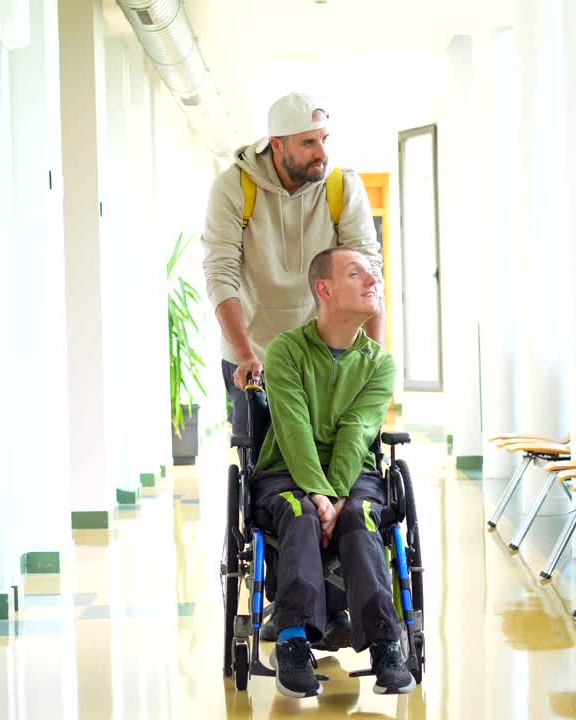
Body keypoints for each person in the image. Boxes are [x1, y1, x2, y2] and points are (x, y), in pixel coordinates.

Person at [249, 247, 414, 698]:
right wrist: (320, 495)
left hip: (354, 475)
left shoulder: (379, 363)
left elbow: (358, 429)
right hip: (284, 470)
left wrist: (338, 495)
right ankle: (292, 641)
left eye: (375, 273)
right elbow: (293, 426)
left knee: (360, 516)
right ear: (324, 289)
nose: (373, 281)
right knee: (299, 511)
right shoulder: (286, 351)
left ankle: (385, 644)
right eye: (357, 273)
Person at [201, 92, 384, 438]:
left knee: (332, 454)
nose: (322, 152)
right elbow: (220, 273)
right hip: (253, 353)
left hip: (327, 355)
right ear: (277, 145)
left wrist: (375, 358)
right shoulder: (234, 188)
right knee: (259, 462)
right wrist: (243, 354)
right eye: (309, 142)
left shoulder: (342, 188)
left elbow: (369, 273)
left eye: (325, 139)